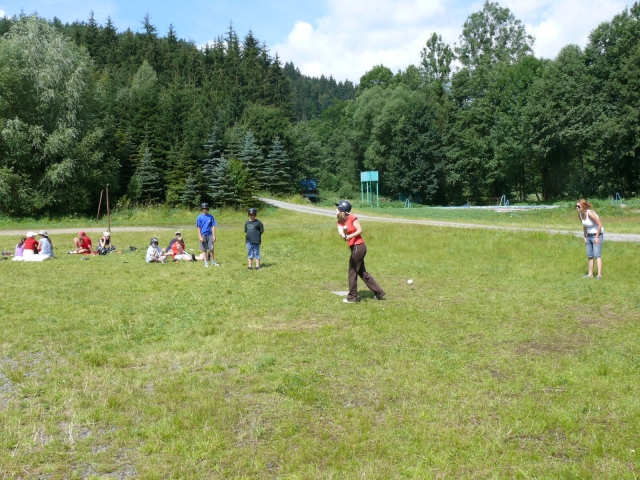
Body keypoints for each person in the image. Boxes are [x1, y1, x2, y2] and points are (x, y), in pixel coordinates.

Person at [335, 200, 385, 303]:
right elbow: (341, 232)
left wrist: (349, 236)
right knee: (362, 272)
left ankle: (352, 298)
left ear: (341, 209)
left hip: (359, 246)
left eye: (337, 208)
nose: (335, 210)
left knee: (352, 272)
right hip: (354, 247)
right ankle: (379, 293)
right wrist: (344, 236)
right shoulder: (339, 222)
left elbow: (359, 230)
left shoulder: (352, 217)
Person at [576, 198, 604, 279]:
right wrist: (585, 237)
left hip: (597, 235)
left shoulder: (590, 213)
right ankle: (590, 274)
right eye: (576, 206)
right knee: (590, 255)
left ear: (584, 206)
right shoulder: (580, 215)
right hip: (588, 236)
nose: (577, 208)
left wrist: (597, 237)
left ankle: (599, 275)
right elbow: (585, 226)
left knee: (597, 255)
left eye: (578, 206)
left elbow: (600, 224)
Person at [196, 202, 218, 267]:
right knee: (204, 249)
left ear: (208, 209)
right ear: (202, 209)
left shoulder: (211, 217)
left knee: (211, 248)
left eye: (206, 208)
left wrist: (214, 236)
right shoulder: (199, 217)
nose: (205, 209)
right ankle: (205, 262)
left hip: (210, 235)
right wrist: (200, 237)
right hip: (203, 235)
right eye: (204, 208)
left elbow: (213, 226)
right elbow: (198, 227)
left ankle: (213, 261)